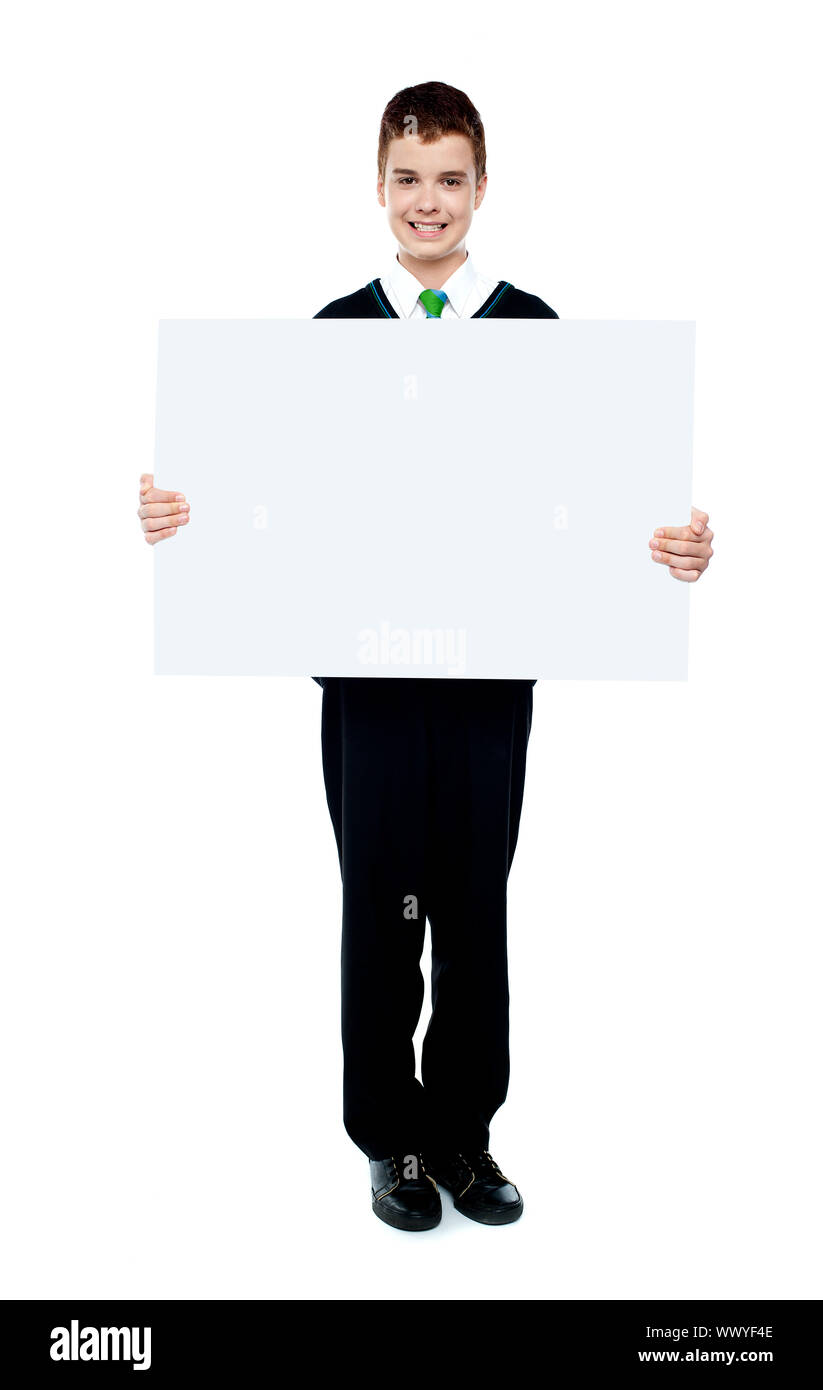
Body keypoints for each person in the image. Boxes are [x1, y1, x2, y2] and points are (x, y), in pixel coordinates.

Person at [138, 80, 714, 1233]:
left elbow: (590, 497)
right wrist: (187, 516)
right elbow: (273, 495)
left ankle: (463, 1132)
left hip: (491, 679)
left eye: (450, 178)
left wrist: (672, 545)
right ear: (378, 188)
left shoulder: (535, 328)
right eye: (408, 179)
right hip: (370, 684)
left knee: (473, 904)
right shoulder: (334, 337)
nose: (429, 201)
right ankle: (389, 1137)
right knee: (382, 906)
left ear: (482, 187)